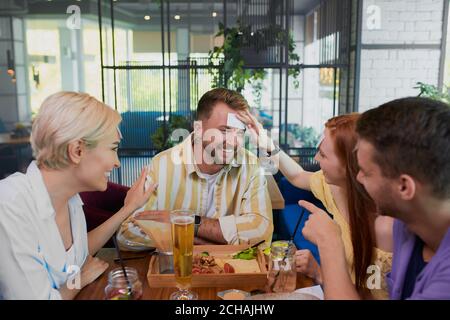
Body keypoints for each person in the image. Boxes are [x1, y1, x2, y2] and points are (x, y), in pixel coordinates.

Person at [0, 92, 157, 300]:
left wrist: (128, 208)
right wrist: (78, 281)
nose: (117, 162)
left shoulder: (70, 198)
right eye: (113, 149)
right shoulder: (10, 205)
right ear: (77, 151)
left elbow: (77, 255)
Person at [301, 97, 450, 299]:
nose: (359, 178)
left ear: (404, 187)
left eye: (366, 172)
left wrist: (329, 242)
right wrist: (321, 273)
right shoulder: (405, 228)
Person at [237, 111, 393, 299]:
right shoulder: (335, 188)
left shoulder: (388, 228)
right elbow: (298, 176)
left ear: (351, 167)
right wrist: (267, 144)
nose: (316, 159)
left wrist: (326, 248)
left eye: (323, 155)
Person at [118, 88, 273, 248]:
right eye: (224, 130)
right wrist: (196, 241)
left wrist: (185, 222)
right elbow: (129, 233)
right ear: (199, 129)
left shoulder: (251, 166)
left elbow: (262, 231)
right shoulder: (161, 165)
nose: (234, 142)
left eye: (240, 133)